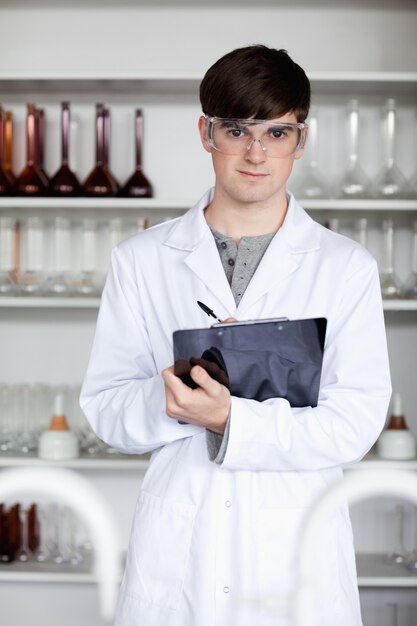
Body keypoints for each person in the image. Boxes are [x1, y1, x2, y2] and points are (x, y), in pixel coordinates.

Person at [80, 45, 391, 626]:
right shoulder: (142, 261)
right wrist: (169, 399)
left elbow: (355, 423)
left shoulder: (345, 267)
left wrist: (232, 420)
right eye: (236, 130)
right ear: (206, 132)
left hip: (297, 562)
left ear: (301, 141)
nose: (255, 152)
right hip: (180, 555)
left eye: (277, 133)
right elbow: (105, 408)